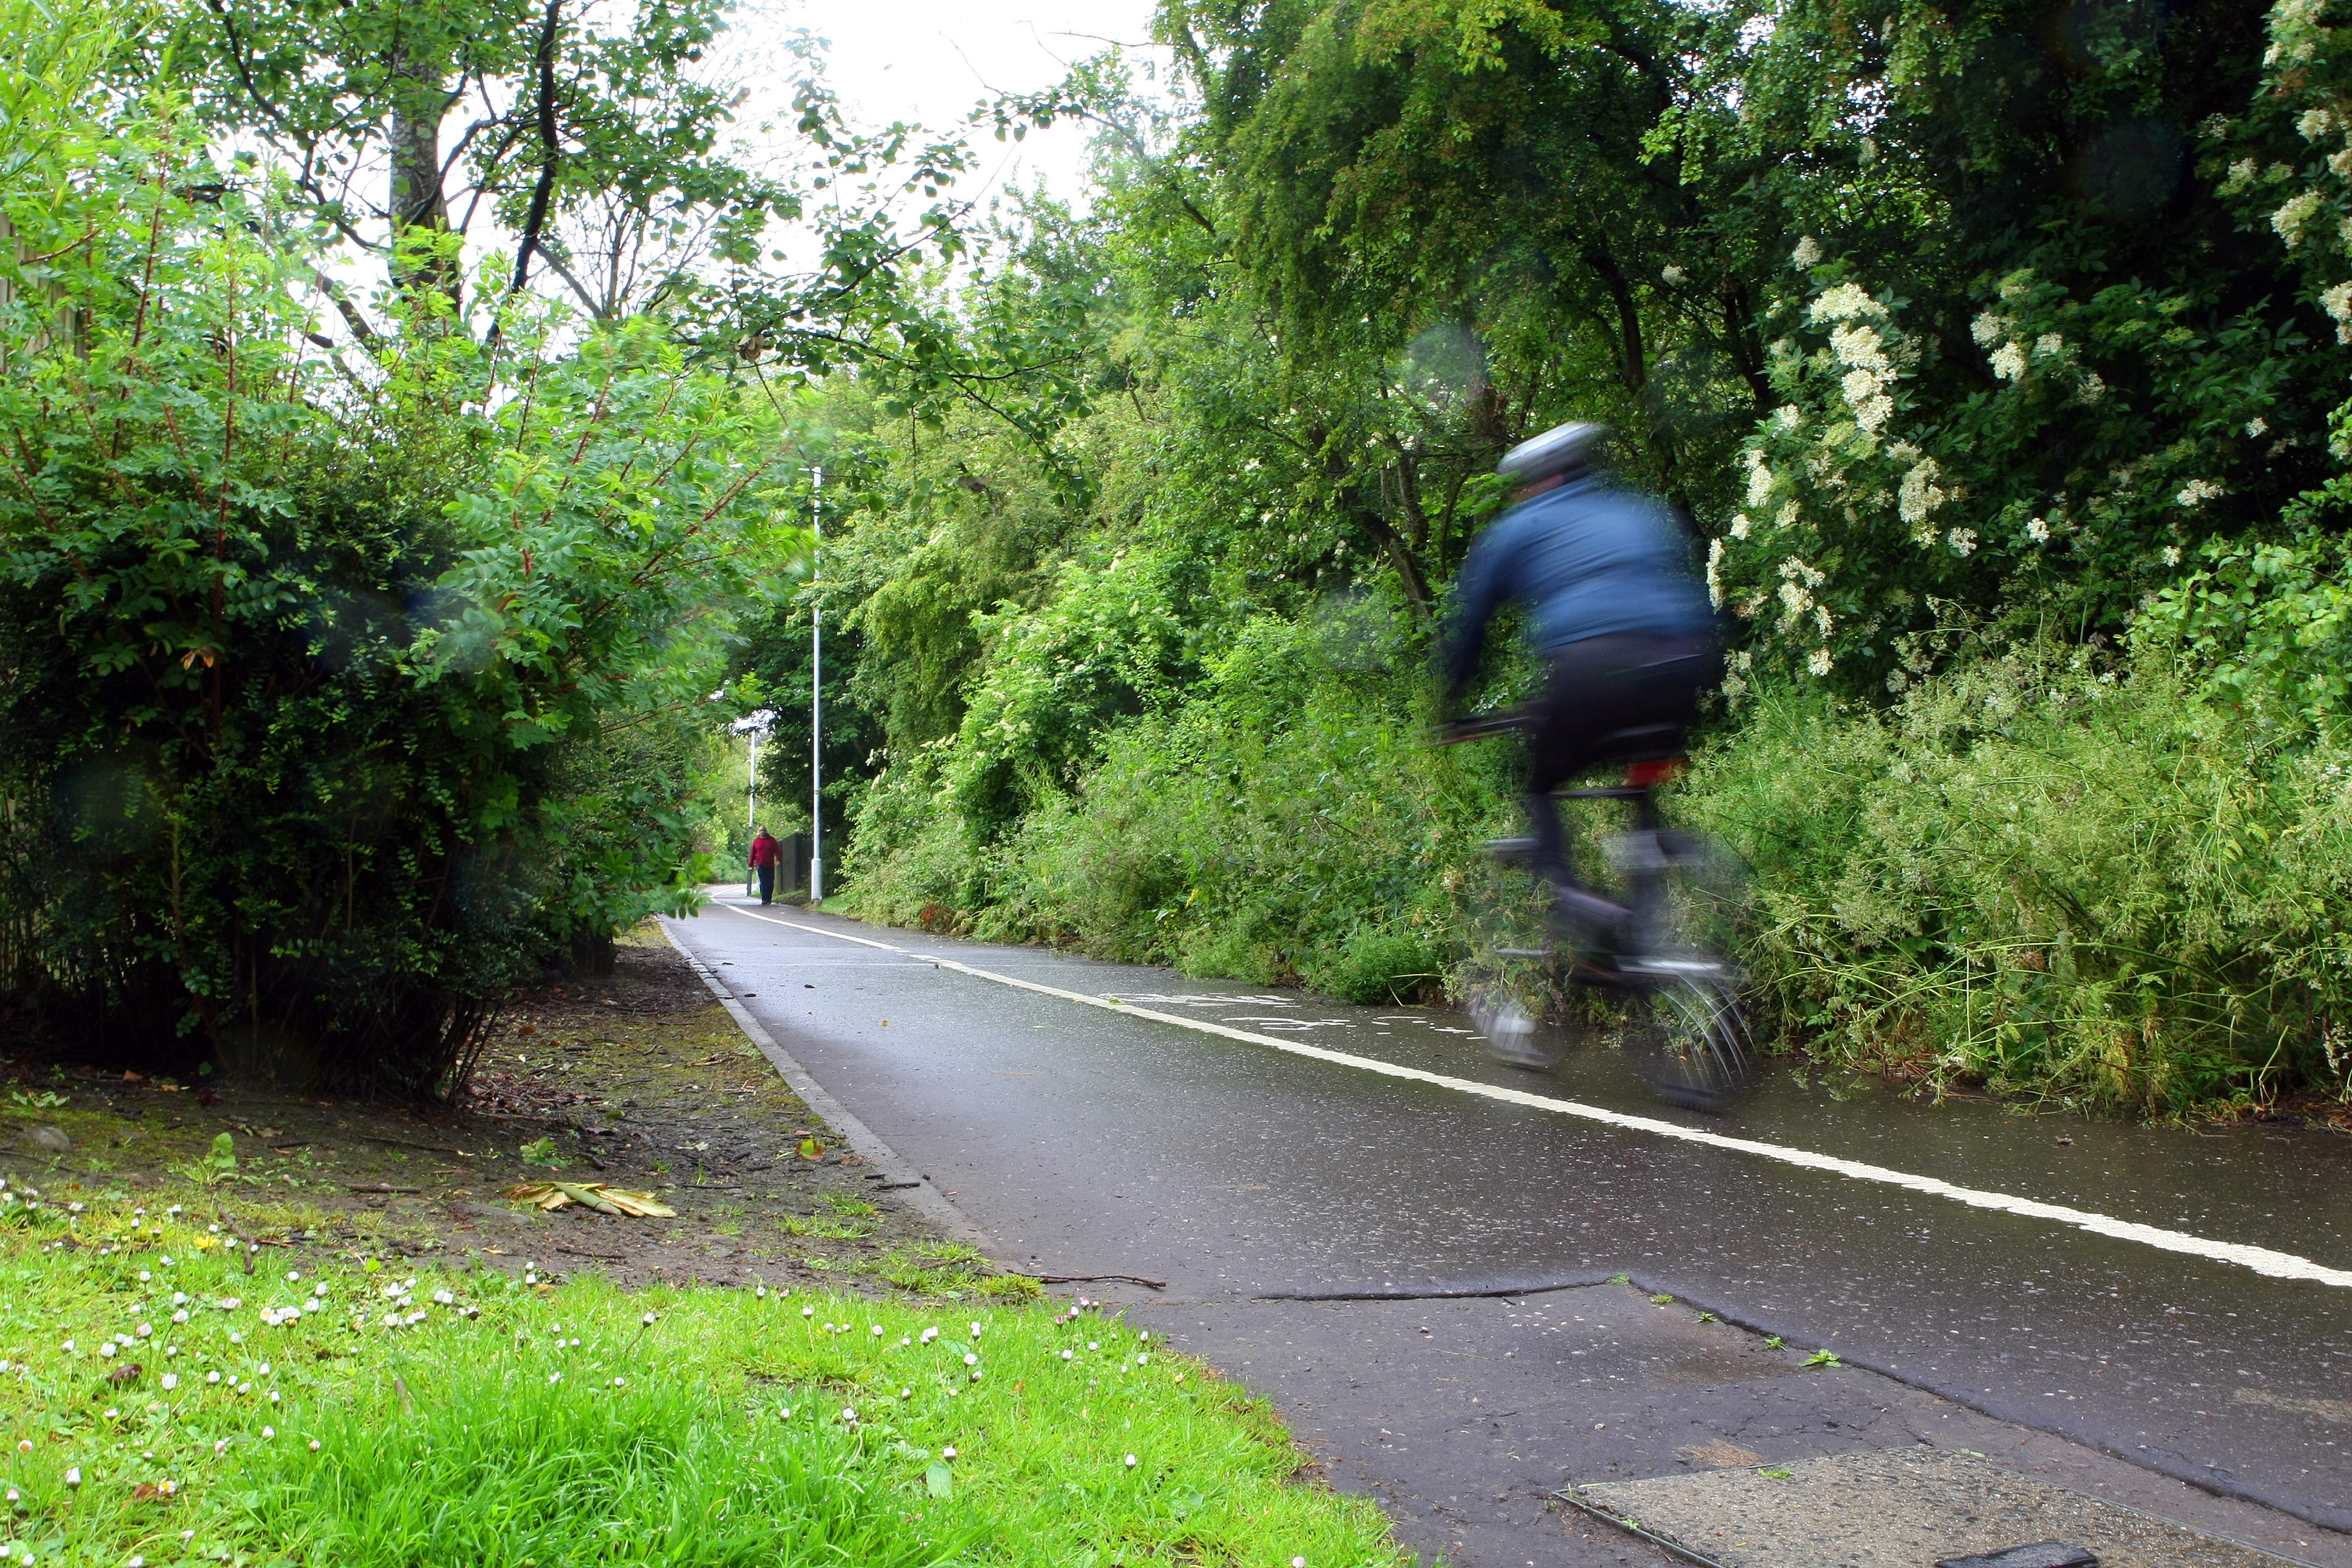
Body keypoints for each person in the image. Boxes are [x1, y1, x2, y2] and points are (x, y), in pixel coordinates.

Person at [1438, 420, 1720, 947]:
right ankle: (1642, 935)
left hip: (1594, 669)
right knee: (1642, 776)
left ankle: (1577, 902)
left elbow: (1469, 628)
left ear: (1540, 481)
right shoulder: (1634, 512)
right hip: (1681, 667)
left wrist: (1452, 709)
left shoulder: (1518, 528)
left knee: (1540, 782)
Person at [749, 826, 783, 905]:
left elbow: (778, 851)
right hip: (760, 865)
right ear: (759, 832)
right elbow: (752, 854)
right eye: (761, 831)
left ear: (766, 831)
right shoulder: (756, 841)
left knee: (770, 882)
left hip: (770, 865)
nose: (762, 832)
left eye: (763, 830)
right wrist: (751, 865)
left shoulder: (772, 840)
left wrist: (779, 860)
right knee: (763, 882)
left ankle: (769, 898)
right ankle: (764, 899)